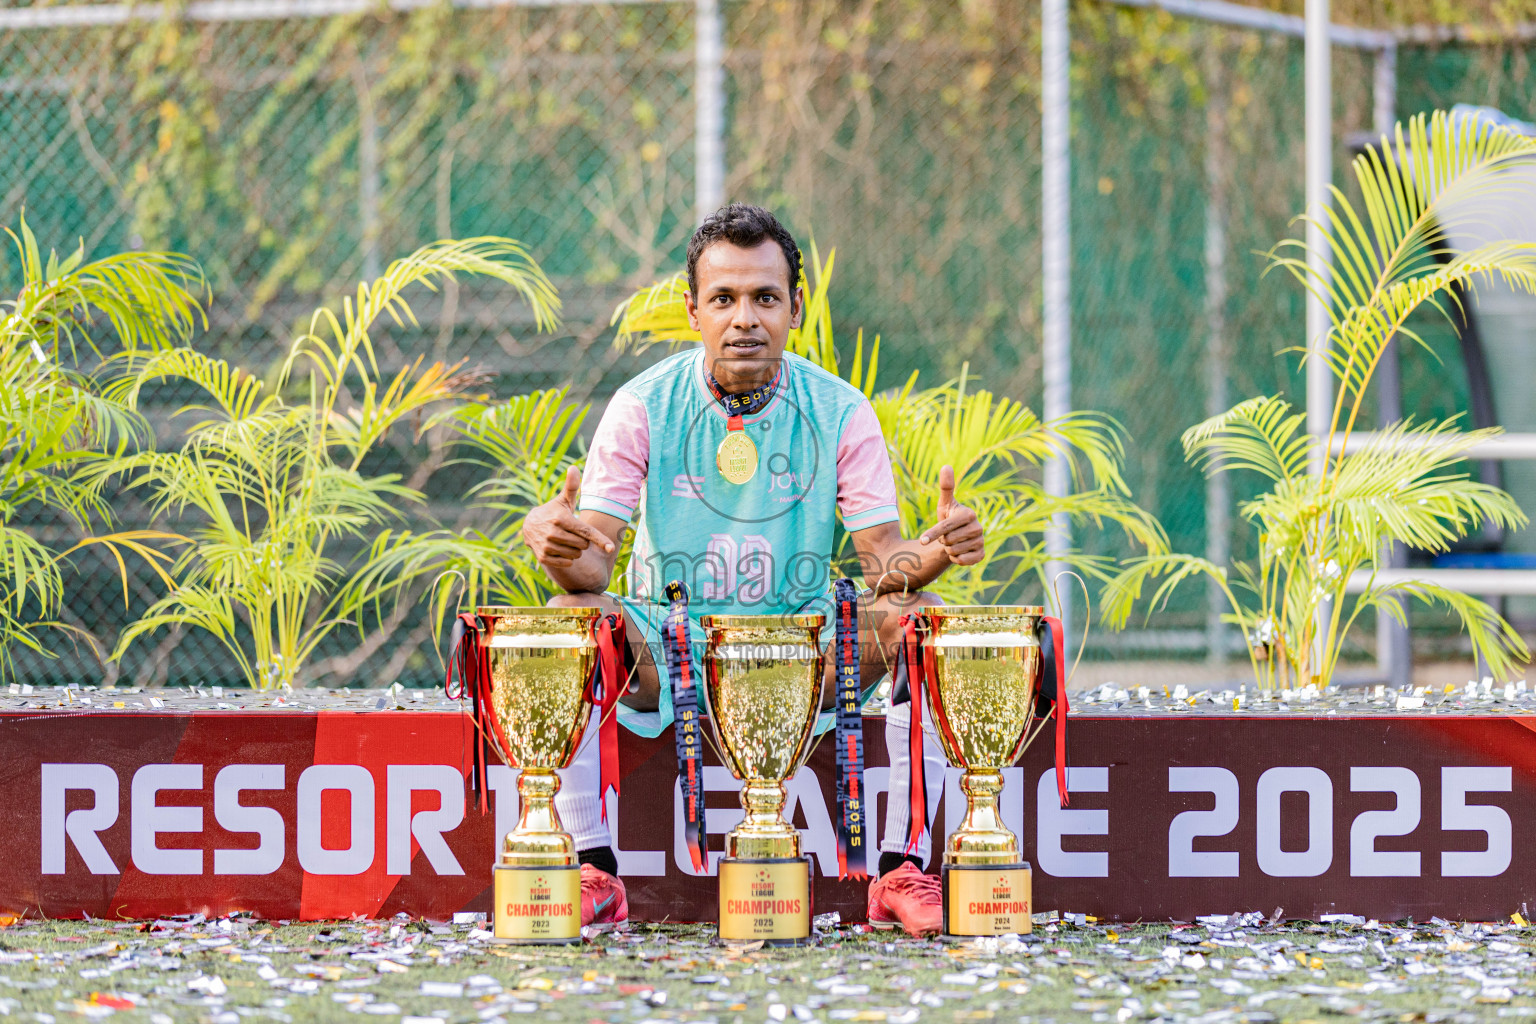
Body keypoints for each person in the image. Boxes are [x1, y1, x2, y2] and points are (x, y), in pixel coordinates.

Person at [520, 203, 986, 935]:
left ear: (794, 308)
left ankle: (903, 867)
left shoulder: (841, 410)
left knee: (912, 625)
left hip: (803, 654)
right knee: (570, 625)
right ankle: (593, 869)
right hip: (672, 653)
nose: (745, 318)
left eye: (765, 298)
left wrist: (931, 553)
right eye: (724, 298)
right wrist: (556, 543)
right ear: (693, 310)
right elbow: (594, 565)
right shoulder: (641, 405)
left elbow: (881, 565)